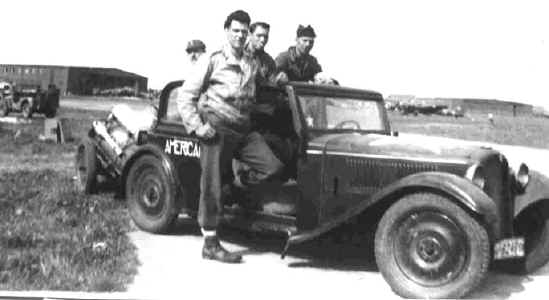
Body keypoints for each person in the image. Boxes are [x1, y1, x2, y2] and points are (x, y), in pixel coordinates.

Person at [177, 10, 283, 264]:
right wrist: (197, 127)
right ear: (226, 31)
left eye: (243, 31)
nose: (239, 35)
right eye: (235, 30)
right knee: (211, 185)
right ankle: (210, 244)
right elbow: (185, 97)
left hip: (243, 130)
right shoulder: (211, 60)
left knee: (273, 168)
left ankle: (234, 189)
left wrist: (282, 79)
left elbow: (266, 83)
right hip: (217, 128)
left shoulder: (251, 61)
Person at [245, 22, 287, 86]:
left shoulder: (268, 61)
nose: (263, 40)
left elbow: (271, 83)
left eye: (265, 37)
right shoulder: (238, 54)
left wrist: (279, 80)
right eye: (259, 36)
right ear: (250, 35)